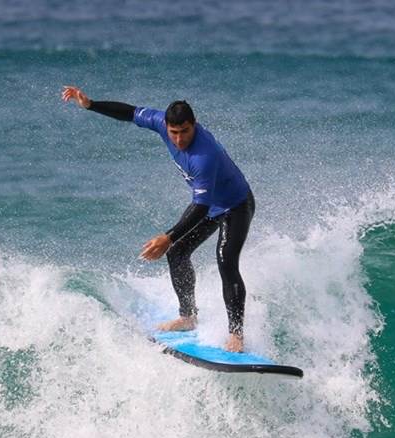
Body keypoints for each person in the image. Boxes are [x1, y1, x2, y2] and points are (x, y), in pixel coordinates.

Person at [61, 86, 254, 352]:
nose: (179, 139)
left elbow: (200, 207)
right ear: (166, 126)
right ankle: (188, 317)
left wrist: (168, 236)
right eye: (174, 132)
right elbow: (129, 113)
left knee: (226, 261)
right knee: (177, 253)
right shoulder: (159, 122)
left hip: (235, 205)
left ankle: (236, 334)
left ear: (194, 124)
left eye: (185, 131)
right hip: (210, 205)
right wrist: (91, 104)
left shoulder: (204, 157)